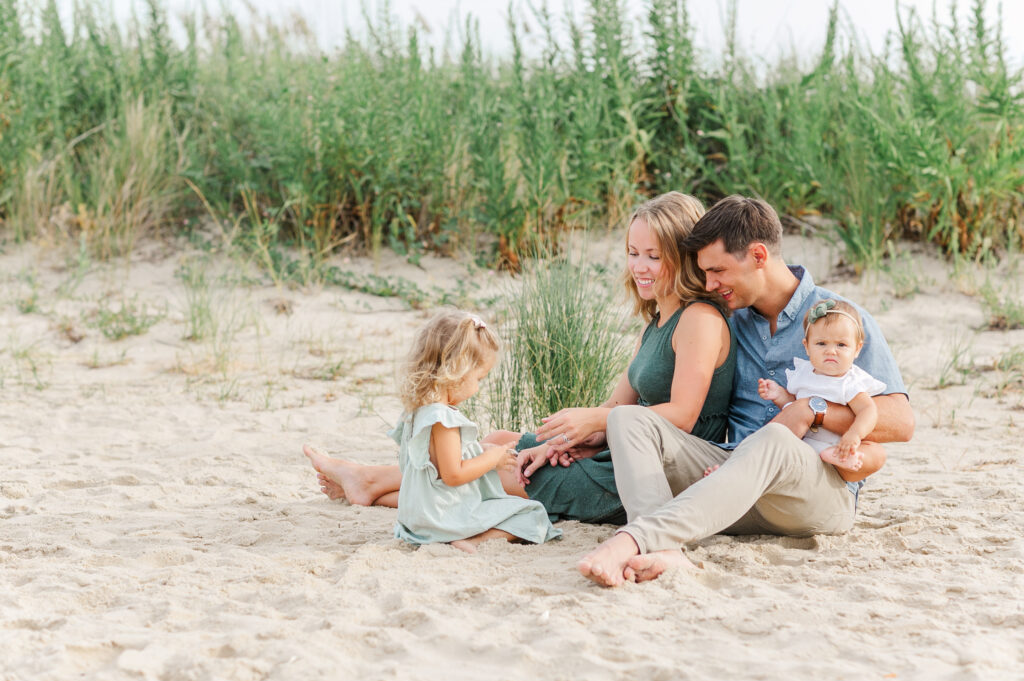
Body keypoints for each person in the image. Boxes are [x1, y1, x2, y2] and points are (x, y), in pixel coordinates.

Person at [304, 191, 736, 524]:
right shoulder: (658, 320)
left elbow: (681, 415)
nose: (639, 266)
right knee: (498, 443)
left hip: (656, 469)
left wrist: (598, 424)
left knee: (502, 472)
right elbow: (615, 408)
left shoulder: (698, 319)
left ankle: (371, 483)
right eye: (633, 252)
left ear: (682, 257)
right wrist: (565, 442)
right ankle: (372, 486)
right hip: (623, 448)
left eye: (654, 257)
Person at [578, 195, 914, 587]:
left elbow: (901, 423)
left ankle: (634, 539)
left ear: (758, 255)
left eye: (718, 270)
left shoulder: (838, 318)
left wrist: (812, 410)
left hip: (814, 491)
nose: (709, 284)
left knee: (774, 438)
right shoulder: (728, 319)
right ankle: (663, 549)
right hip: (730, 481)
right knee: (628, 419)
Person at [309, 310, 560, 553]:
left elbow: (435, 466)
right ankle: (475, 541)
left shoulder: (418, 413)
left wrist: (479, 450)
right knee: (532, 514)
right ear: (457, 371)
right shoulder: (444, 420)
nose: (478, 388)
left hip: (416, 519)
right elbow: (453, 475)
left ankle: (367, 486)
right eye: (479, 379)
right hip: (442, 520)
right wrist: (491, 460)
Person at [757, 298, 886, 473]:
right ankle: (742, 466)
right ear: (807, 347)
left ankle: (840, 457)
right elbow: (794, 405)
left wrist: (855, 434)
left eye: (841, 345)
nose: (831, 351)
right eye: (821, 343)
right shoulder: (803, 373)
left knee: (871, 450)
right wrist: (779, 395)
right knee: (769, 443)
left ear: (857, 349)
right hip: (801, 442)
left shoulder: (849, 381)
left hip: (834, 443)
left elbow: (868, 410)